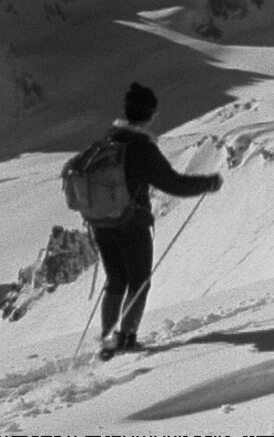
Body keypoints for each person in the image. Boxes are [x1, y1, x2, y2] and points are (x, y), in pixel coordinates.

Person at [92, 82, 223, 359]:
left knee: (116, 279)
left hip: (101, 222)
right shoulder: (141, 147)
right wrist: (208, 183)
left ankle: (107, 340)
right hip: (132, 222)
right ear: (151, 114)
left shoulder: (108, 141)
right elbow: (173, 183)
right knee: (139, 281)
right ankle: (126, 339)